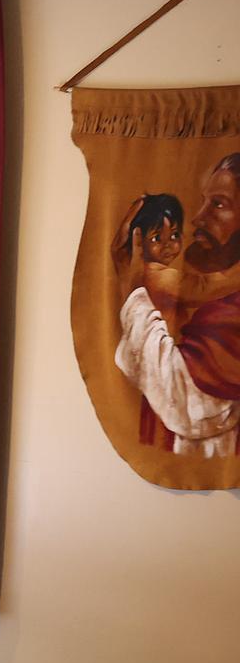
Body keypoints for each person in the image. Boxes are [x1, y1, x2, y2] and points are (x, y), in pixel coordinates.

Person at [115, 154, 240, 457]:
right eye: (158, 237)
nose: (198, 218)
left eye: (219, 204)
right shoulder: (155, 273)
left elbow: (183, 400)